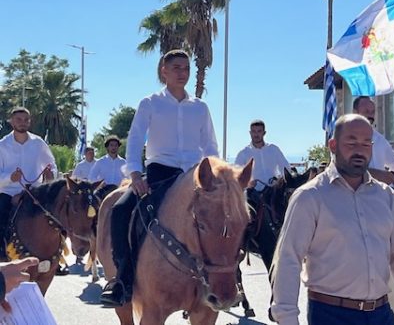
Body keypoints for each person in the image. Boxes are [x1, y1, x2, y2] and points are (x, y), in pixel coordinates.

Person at [270, 114, 394, 325]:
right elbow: (289, 259)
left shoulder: (386, 196)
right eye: (351, 142)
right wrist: (287, 319)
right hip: (331, 315)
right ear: (333, 145)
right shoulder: (309, 197)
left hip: (382, 314)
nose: (360, 150)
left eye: (366, 143)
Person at [100, 49, 219, 307]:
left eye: (186, 68)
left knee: (227, 215)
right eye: (176, 68)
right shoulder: (150, 103)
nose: (182, 73)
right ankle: (122, 279)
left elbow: (210, 146)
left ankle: (230, 279)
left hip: (194, 177)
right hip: (159, 175)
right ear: (164, 71)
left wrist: (214, 176)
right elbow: (135, 139)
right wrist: (134, 173)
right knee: (120, 210)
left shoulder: (200, 108)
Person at [0, 107, 56, 259]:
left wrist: (51, 174)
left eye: (26, 120)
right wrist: (10, 178)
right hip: (9, 192)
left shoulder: (39, 143)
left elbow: (51, 165)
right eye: (18, 120)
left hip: (35, 193)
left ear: (30, 122)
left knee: (56, 217)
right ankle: (1, 254)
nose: (22, 123)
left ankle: (56, 257)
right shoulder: (2, 145)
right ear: (11, 122)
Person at [234, 120, 290, 190]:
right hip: (252, 191)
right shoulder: (243, 153)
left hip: (273, 190)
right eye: (253, 131)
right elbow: (236, 176)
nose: (256, 134)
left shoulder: (274, 149)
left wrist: (280, 180)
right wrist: (248, 183)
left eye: (259, 131)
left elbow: (285, 168)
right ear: (250, 133)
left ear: (264, 133)